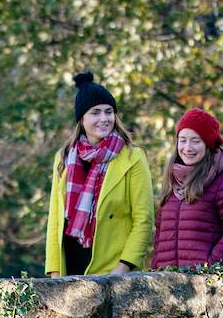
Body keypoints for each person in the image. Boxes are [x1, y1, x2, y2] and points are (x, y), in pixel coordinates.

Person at [44, 71, 153, 275]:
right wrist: (54, 273)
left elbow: (143, 219)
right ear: (82, 118)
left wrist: (122, 268)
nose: (104, 119)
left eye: (108, 111)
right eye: (95, 112)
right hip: (70, 271)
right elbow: (55, 220)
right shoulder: (64, 157)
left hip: (113, 271)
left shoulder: (132, 157)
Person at [151, 108, 223, 269]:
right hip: (166, 286)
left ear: (208, 144)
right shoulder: (171, 180)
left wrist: (208, 270)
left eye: (195, 141)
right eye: (182, 140)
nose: (187, 148)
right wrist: (156, 270)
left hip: (203, 287)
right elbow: (160, 238)